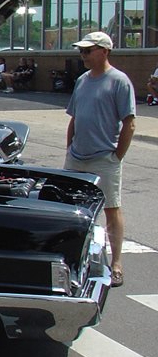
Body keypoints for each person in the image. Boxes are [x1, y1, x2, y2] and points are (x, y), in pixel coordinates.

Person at [64, 31, 136, 288]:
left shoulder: (119, 81)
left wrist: (117, 155)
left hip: (103, 157)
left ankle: (115, 263)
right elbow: (74, 117)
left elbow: (129, 122)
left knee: (111, 208)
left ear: (104, 51)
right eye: (81, 51)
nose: (83, 55)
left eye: (88, 50)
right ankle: (76, 260)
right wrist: (69, 146)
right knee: (72, 209)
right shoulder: (82, 80)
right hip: (77, 157)